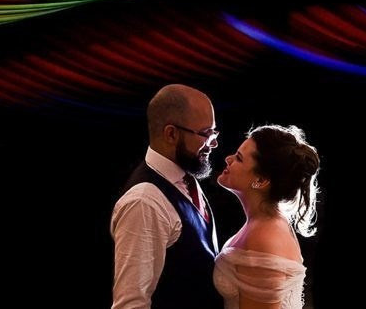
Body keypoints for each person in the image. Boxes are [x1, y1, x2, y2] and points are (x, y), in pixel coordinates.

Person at [110, 83, 225, 309]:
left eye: (214, 132)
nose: (214, 143)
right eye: (205, 133)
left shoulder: (186, 175)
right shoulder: (144, 202)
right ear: (171, 134)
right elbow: (131, 303)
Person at [211, 123, 321, 309]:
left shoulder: (265, 238)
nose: (228, 159)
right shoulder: (261, 223)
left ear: (261, 180)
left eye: (239, 158)